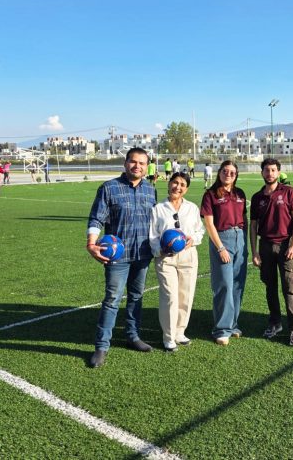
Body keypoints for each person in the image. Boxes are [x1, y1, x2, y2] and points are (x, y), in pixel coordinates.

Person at [85, 147, 158, 368]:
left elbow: (156, 222)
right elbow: (96, 218)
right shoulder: (109, 188)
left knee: (136, 296)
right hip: (117, 257)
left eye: (142, 163)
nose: (137, 166)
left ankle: (133, 336)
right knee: (112, 299)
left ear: (147, 167)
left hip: (142, 254)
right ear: (125, 163)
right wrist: (91, 243)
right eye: (133, 162)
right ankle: (101, 346)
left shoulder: (150, 189)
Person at [250, 158, 293, 346]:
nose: (270, 173)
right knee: (270, 287)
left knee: (289, 287)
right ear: (262, 173)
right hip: (265, 246)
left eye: (273, 170)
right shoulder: (257, 197)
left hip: (285, 245)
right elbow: (253, 225)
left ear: (278, 173)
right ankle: (275, 323)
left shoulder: (288, 192)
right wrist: (255, 251)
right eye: (266, 170)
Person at [149, 172, 205, 351]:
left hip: (188, 256)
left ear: (186, 189)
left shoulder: (192, 208)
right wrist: (160, 249)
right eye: (175, 183)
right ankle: (168, 336)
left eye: (182, 184)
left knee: (185, 295)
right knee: (170, 297)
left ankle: (180, 331)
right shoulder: (158, 208)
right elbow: (152, 236)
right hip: (165, 258)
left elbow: (200, 231)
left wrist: (192, 240)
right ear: (169, 183)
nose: (177, 187)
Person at [201, 160, 248, 346]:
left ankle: (233, 324)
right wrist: (220, 247)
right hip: (222, 238)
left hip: (240, 238)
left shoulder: (240, 194)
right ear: (219, 172)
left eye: (232, 172)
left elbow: (244, 217)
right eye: (225, 171)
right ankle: (221, 329)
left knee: (237, 284)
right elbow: (209, 223)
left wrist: (243, 240)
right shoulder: (210, 194)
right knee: (224, 284)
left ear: (236, 175)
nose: (228, 174)